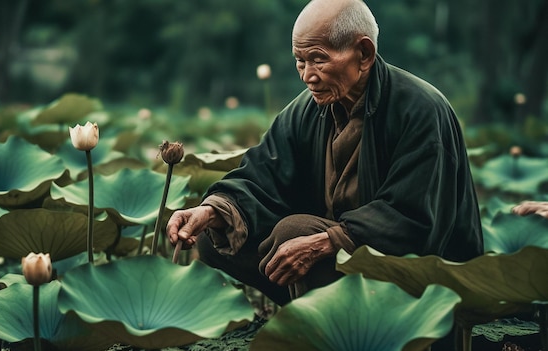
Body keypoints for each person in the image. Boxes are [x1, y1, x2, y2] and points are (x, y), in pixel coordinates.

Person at [167, 0, 483, 307]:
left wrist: (327, 242)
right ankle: (313, 318)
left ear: (363, 54)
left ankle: (332, 328)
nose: (307, 75)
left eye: (318, 59)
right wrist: (212, 211)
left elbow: (413, 220)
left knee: (294, 233)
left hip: (414, 279)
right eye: (299, 61)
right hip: (339, 265)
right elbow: (263, 174)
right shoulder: (306, 109)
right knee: (218, 232)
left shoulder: (420, 110)